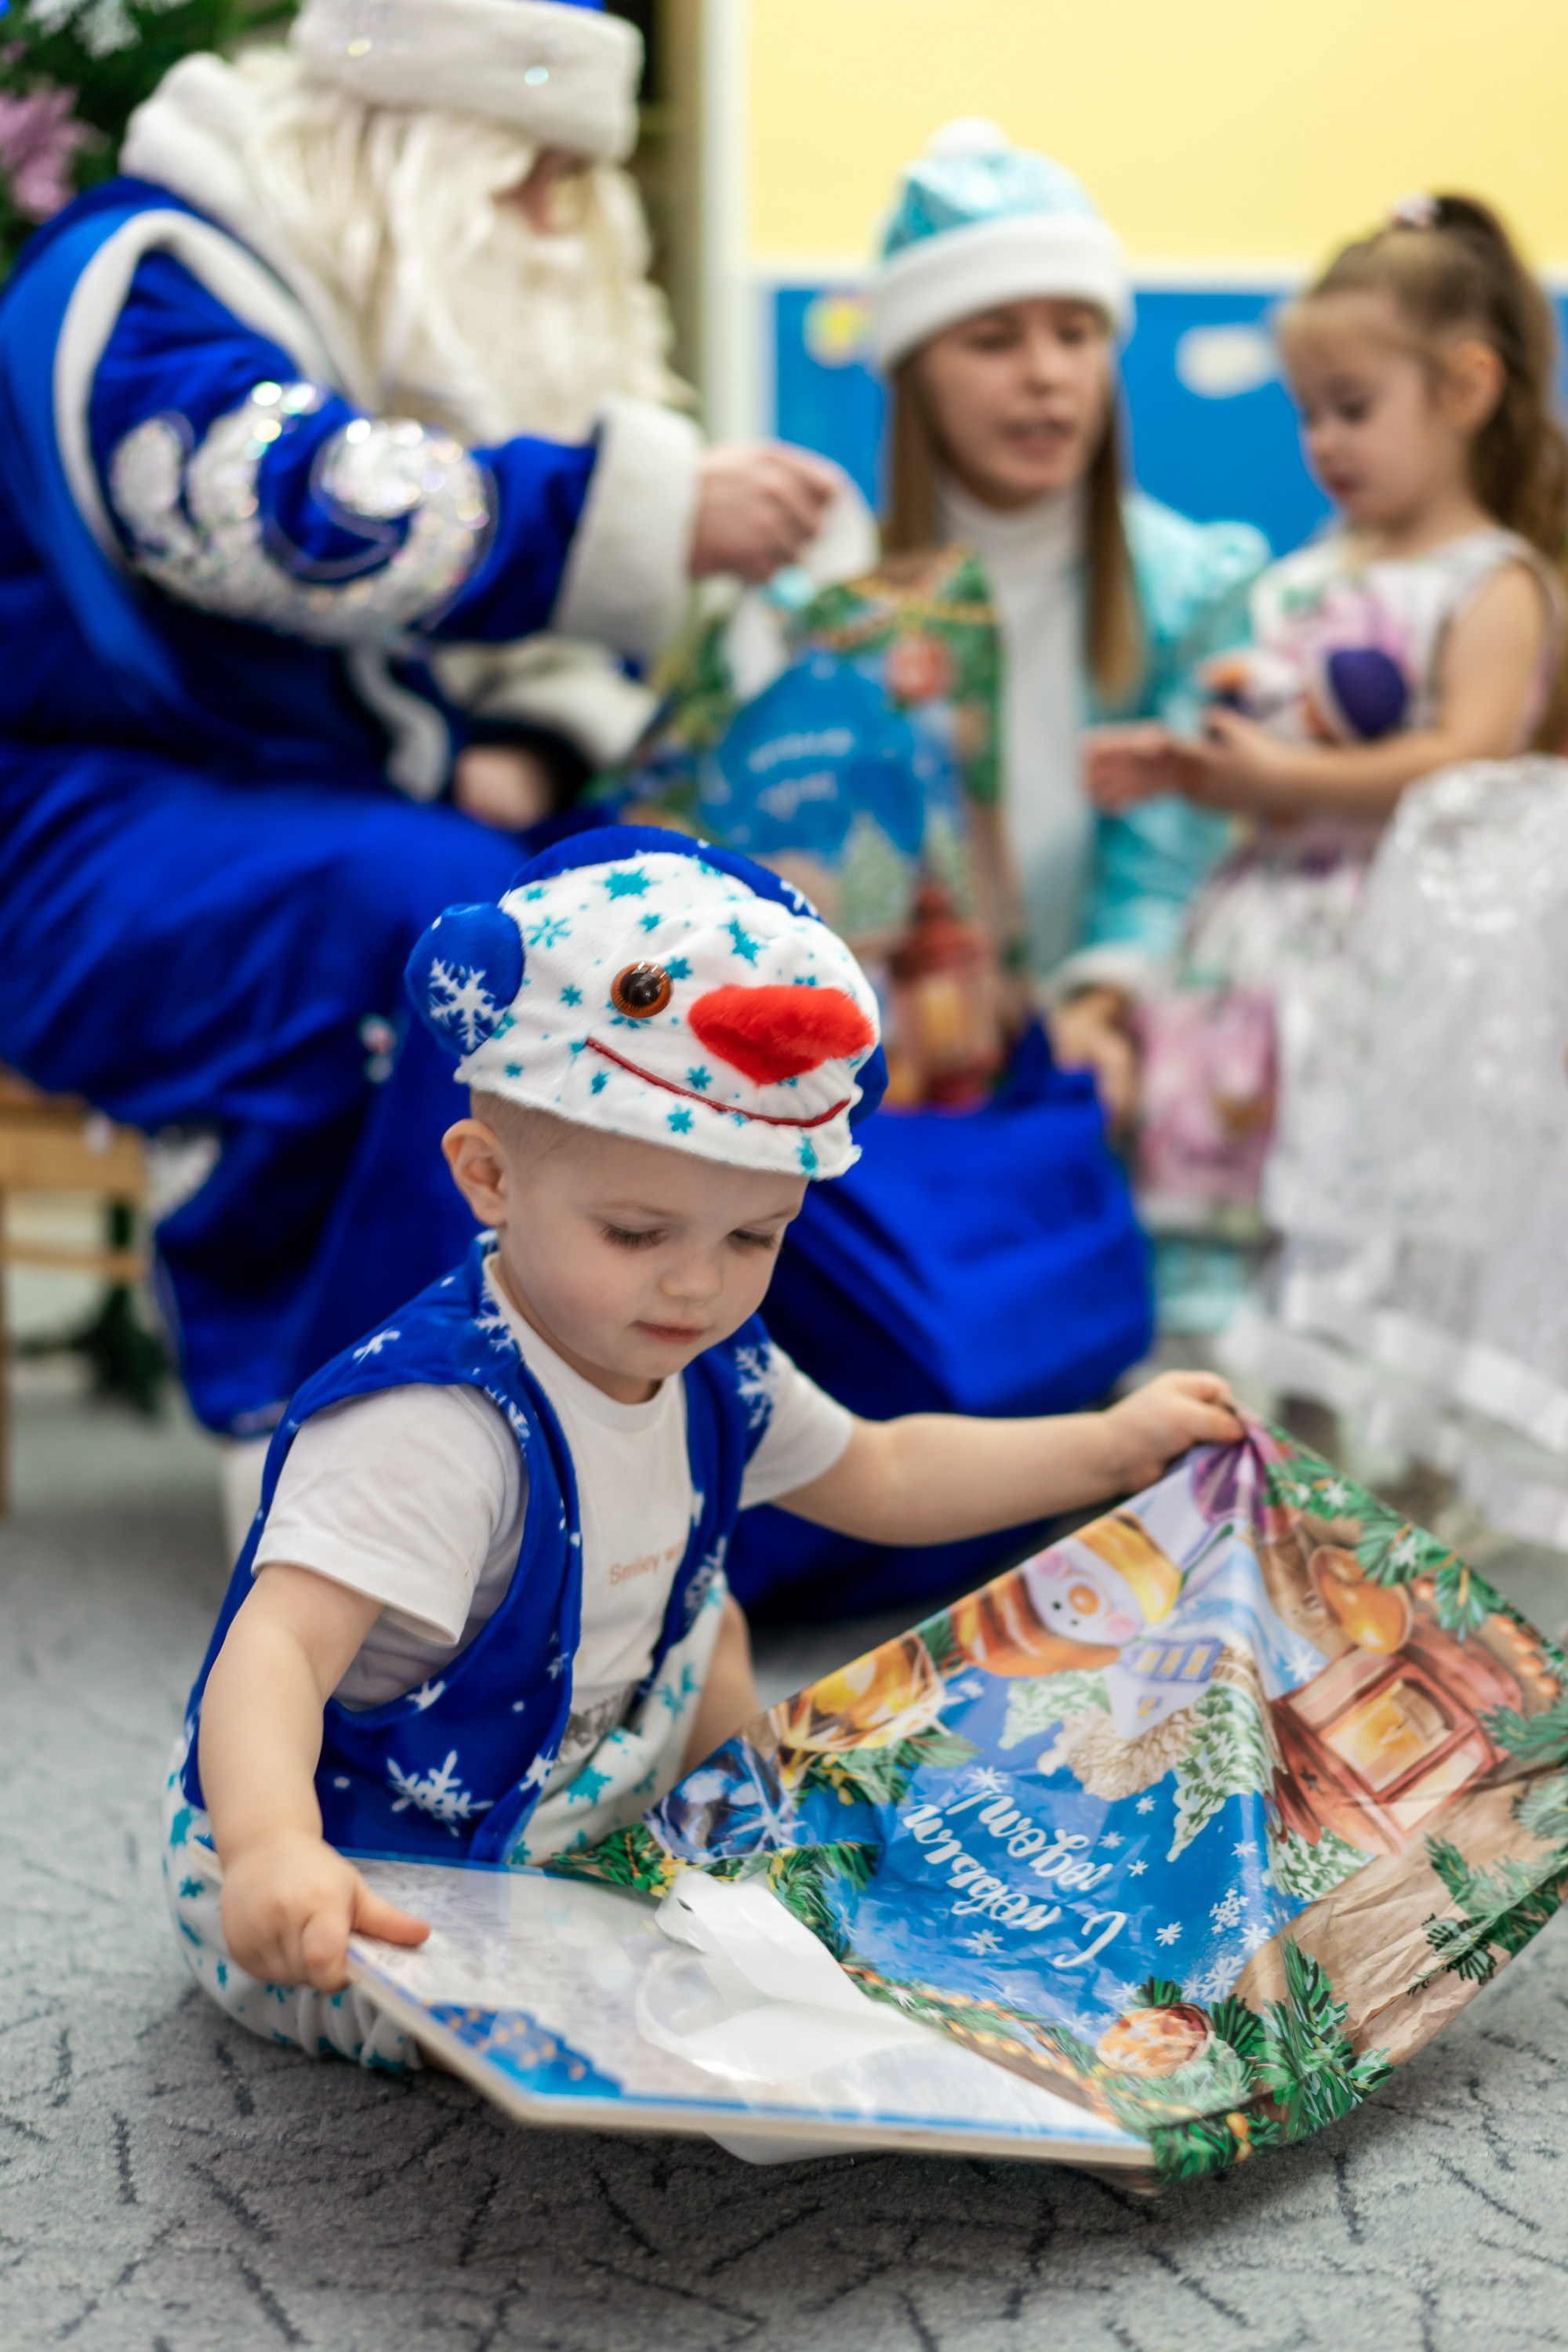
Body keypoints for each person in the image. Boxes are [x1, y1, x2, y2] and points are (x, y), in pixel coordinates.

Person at [162, 826, 1241, 2066]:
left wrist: (1109, 1449)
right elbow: (278, 1650)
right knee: (543, 2020)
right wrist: (270, 1852)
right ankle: (647, 1893)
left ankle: (728, 1840)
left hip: (573, 1771)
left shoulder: (716, 1364)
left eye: (753, 1238)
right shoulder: (434, 1424)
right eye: (636, 1232)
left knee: (709, 1615)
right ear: (487, 1177)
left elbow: (886, 1474)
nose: (695, 1285)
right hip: (376, 1844)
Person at [0, 0, 838, 1446]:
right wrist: (625, 508)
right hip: (84, 824)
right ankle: (370, 1444)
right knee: (455, 926)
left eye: (584, 179)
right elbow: (274, 506)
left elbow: (508, 661)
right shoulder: (152, 275)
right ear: (404, 153)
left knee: (695, 917)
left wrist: (531, 745)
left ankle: (675, 1433)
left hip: (332, 809)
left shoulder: (384, 300)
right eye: (526, 175)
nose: (559, 220)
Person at [1093, 193, 1567, 1225]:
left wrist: (1278, 780)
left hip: (1395, 947)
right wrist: (1191, 761)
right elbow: (1277, 717)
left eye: (1353, 407)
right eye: (1308, 412)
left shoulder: (1494, 582)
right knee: (1228, 1191)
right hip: (1257, 940)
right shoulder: (1310, 569)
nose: (1325, 441)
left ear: (1467, 389)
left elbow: (1467, 767)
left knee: (1361, 1205)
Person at [870, 118, 1270, 1127]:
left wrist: (1100, 999)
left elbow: (1174, 847)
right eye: (993, 338)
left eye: (1076, 333)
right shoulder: (839, 604)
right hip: (898, 1104)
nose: (1045, 373)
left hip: (1124, 1076)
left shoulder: (1194, 587)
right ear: (914, 371)